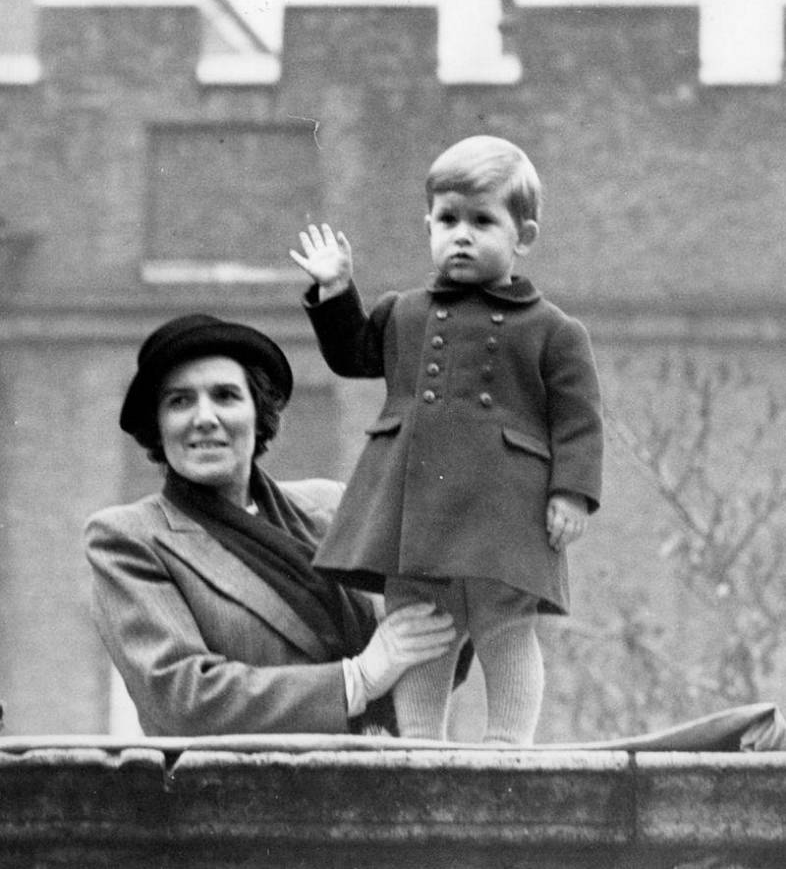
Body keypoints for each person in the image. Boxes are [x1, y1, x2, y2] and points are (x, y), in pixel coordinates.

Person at [289, 135, 604, 744]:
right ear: (428, 225)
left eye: (482, 221)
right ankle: (419, 744)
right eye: (447, 219)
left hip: (502, 513)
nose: (461, 234)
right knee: (421, 626)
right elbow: (353, 356)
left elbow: (578, 418)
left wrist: (571, 493)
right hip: (414, 508)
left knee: (504, 627)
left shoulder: (554, 330)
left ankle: (508, 746)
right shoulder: (403, 312)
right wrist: (334, 291)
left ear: (524, 235)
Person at [84, 313, 459, 736]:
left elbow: (420, 645)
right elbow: (181, 696)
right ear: (158, 425)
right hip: (237, 795)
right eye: (179, 401)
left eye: (225, 396)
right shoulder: (128, 539)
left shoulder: (331, 505)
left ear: (258, 412)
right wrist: (357, 679)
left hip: (380, 778)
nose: (204, 417)